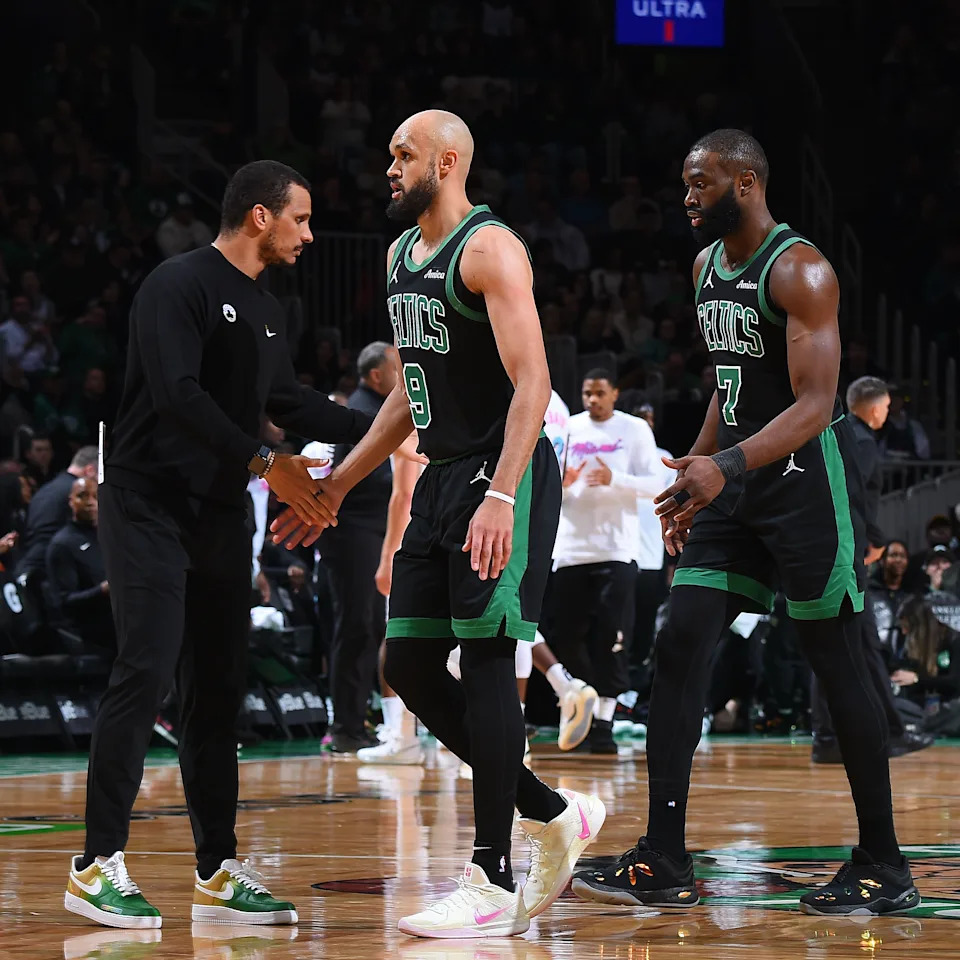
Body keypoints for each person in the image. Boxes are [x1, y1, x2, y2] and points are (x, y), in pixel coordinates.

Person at [271, 110, 604, 939]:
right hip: (442, 474)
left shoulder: (489, 250)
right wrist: (339, 484)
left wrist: (503, 495)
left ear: (447, 162)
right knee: (408, 665)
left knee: (489, 659)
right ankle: (552, 811)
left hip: (501, 471)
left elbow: (533, 382)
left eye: (404, 154)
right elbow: (407, 391)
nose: (389, 168)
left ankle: (491, 874)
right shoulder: (398, 255)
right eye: (390, 155)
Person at [572, 129, 919, 915]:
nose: (687, 196)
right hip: (734, 487)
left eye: (702, 182)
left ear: (747, 182)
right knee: (679, 641)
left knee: (839, 665)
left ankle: (884, 863)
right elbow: (729, 386)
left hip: (804, 490)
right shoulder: (705, 267)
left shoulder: (801, 270)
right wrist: (695, 474)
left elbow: (816, 403)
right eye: (686, 182)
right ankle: (664, 857)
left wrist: (722, 467)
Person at [65, 160, 374, 930]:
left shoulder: (267, 306)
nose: (309, 234)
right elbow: (178, 394)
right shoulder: (176, 284)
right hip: (146, 503)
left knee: (217, 691)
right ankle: (95, 865)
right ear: (261, 216)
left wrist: (384, 428)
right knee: (146, 669)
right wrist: (268, 462)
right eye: (301, 219)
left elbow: (287, 400)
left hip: (218, 513)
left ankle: (217, 871)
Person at [811, 377, 932, 762]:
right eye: (886, 406)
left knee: (839, 643)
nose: (887, 412)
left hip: (833, 551)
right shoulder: (861, 441)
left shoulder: (839, 433)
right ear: (873, 406)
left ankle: (832, 736)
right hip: (848, 555)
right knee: (853, 645)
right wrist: (876, 540)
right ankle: (884, 732)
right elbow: (853, 495)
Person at [550, 370, 661, 753]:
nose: (592, 400)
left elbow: (656, 485)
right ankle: (584, 705)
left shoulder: (634, 430)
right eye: (587, 393)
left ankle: (604, 724)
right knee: (566, 638)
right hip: (570, 550)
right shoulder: (569, 427)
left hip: (616, 550)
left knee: (612, 638)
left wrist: (616, 478)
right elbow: (550, 488)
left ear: (615, 393)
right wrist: (562, 484)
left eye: (599, 393)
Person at [322, 341, 400, 753]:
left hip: (370, 529)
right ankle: (345, 727)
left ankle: (356, 722)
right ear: (375, 375)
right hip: (352, 530)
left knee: (370, 626)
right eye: (396, 367)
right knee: (356, 626)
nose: (403, 373)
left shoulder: (376, 406)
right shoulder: (362, 410)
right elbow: (367, 475)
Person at [45, 477, 115, 653]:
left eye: (95, 496)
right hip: (91, 631)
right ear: (71, 501)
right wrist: (102, 590)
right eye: (83, 496)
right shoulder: (63, 545)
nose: (90, 502)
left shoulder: (111, 535)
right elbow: (64, 602)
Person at [17, 445, 98, 579]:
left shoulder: (48, 488)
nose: (90, 502)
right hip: (51, 570)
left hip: (30, 563)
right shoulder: (75, 492)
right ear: (90, 470)